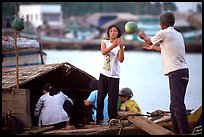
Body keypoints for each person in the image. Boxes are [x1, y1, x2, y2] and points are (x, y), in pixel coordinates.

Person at [138, 11, 190, 135]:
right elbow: (166, 48)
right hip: (183, 71)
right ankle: (176, 130)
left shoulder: (164, 33)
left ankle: (185, 132)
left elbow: (149, 41)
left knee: (178, 104)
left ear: (161, 24)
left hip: (175, 72)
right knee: (174, 104)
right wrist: (154, 48)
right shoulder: (177, 34)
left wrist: (143, 37)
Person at [96, 24, 125, 124]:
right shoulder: (105, 42)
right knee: (100, 97)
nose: (113, 33)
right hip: (104, 74)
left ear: (118, 33)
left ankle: (112, 119)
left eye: (115, 31)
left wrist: (121, 47)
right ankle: (98, 118)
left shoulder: (120, 46)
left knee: (112, 99)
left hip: (114, 76)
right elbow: (104, 52)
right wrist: (114, 45)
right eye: (111, 31)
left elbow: (121, 60)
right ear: (108, 33)